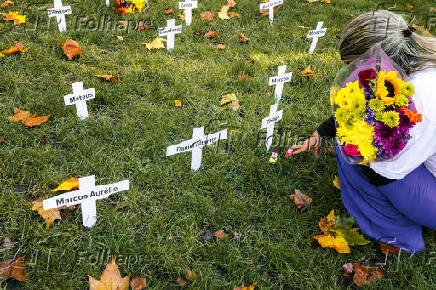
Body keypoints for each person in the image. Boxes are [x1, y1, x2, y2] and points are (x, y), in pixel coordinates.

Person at [292, 10, 436, 253]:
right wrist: (321, 132)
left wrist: (352, 141)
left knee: (357, 152)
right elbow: (367, 102)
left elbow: (384, 172)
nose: (352, 75)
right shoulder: (420, 58)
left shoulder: (418, 98)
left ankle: (398, 233)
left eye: (353, 67)